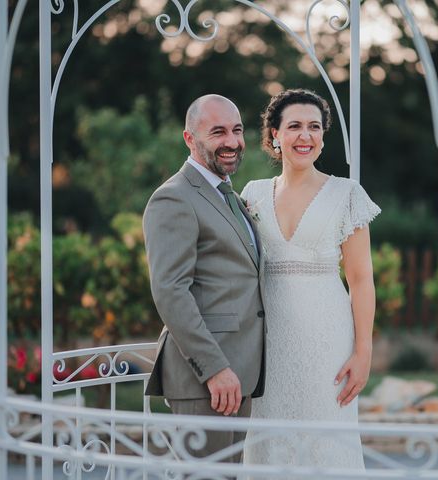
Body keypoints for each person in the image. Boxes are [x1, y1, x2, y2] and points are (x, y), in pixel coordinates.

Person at [241, 89, 380, 470]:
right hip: (267, 342)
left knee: (326, 440)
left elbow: (361, 279)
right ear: (274, 135)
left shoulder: (346, 194)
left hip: (328, 341)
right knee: (269, 440)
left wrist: (363, 351)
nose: (306, 136)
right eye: (295, 126)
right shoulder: (251, 195)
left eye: (315, 127)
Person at [143, 94, 265, 464]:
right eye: (218, 132)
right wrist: (214, 369)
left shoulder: (230, 196)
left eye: (237, 130)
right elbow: (170, 291)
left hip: (239, 368)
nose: (231, 141)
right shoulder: (174, 198)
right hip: (207, 376)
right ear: (189, 138)